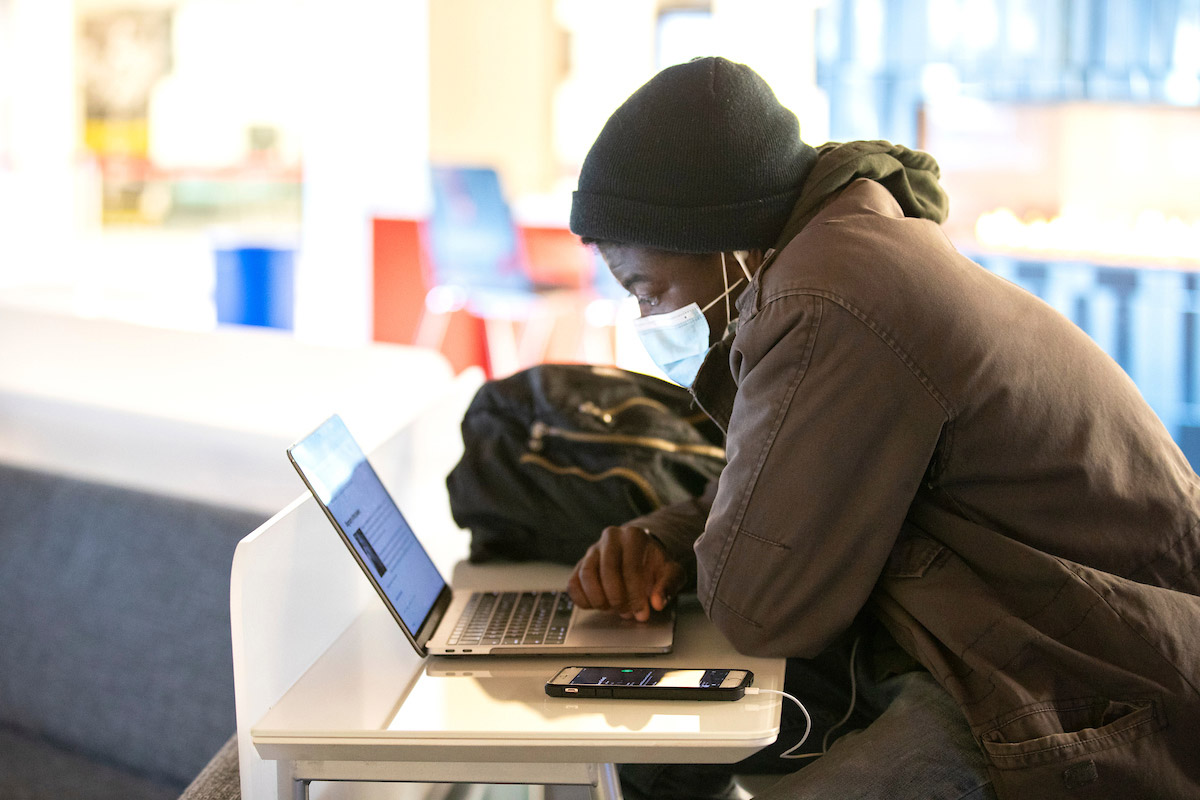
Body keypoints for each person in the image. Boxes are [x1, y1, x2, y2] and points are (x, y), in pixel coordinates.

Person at [564, 56, 1200, 800]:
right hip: (1008, 639)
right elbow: (796, 482)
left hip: (1085, 679)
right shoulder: (847, 248)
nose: (649, 320)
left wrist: (701, 552)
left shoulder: (830, 298)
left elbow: (755, 610)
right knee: (660, 737)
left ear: (728, 245)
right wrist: (664, 542)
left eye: (650, 291)